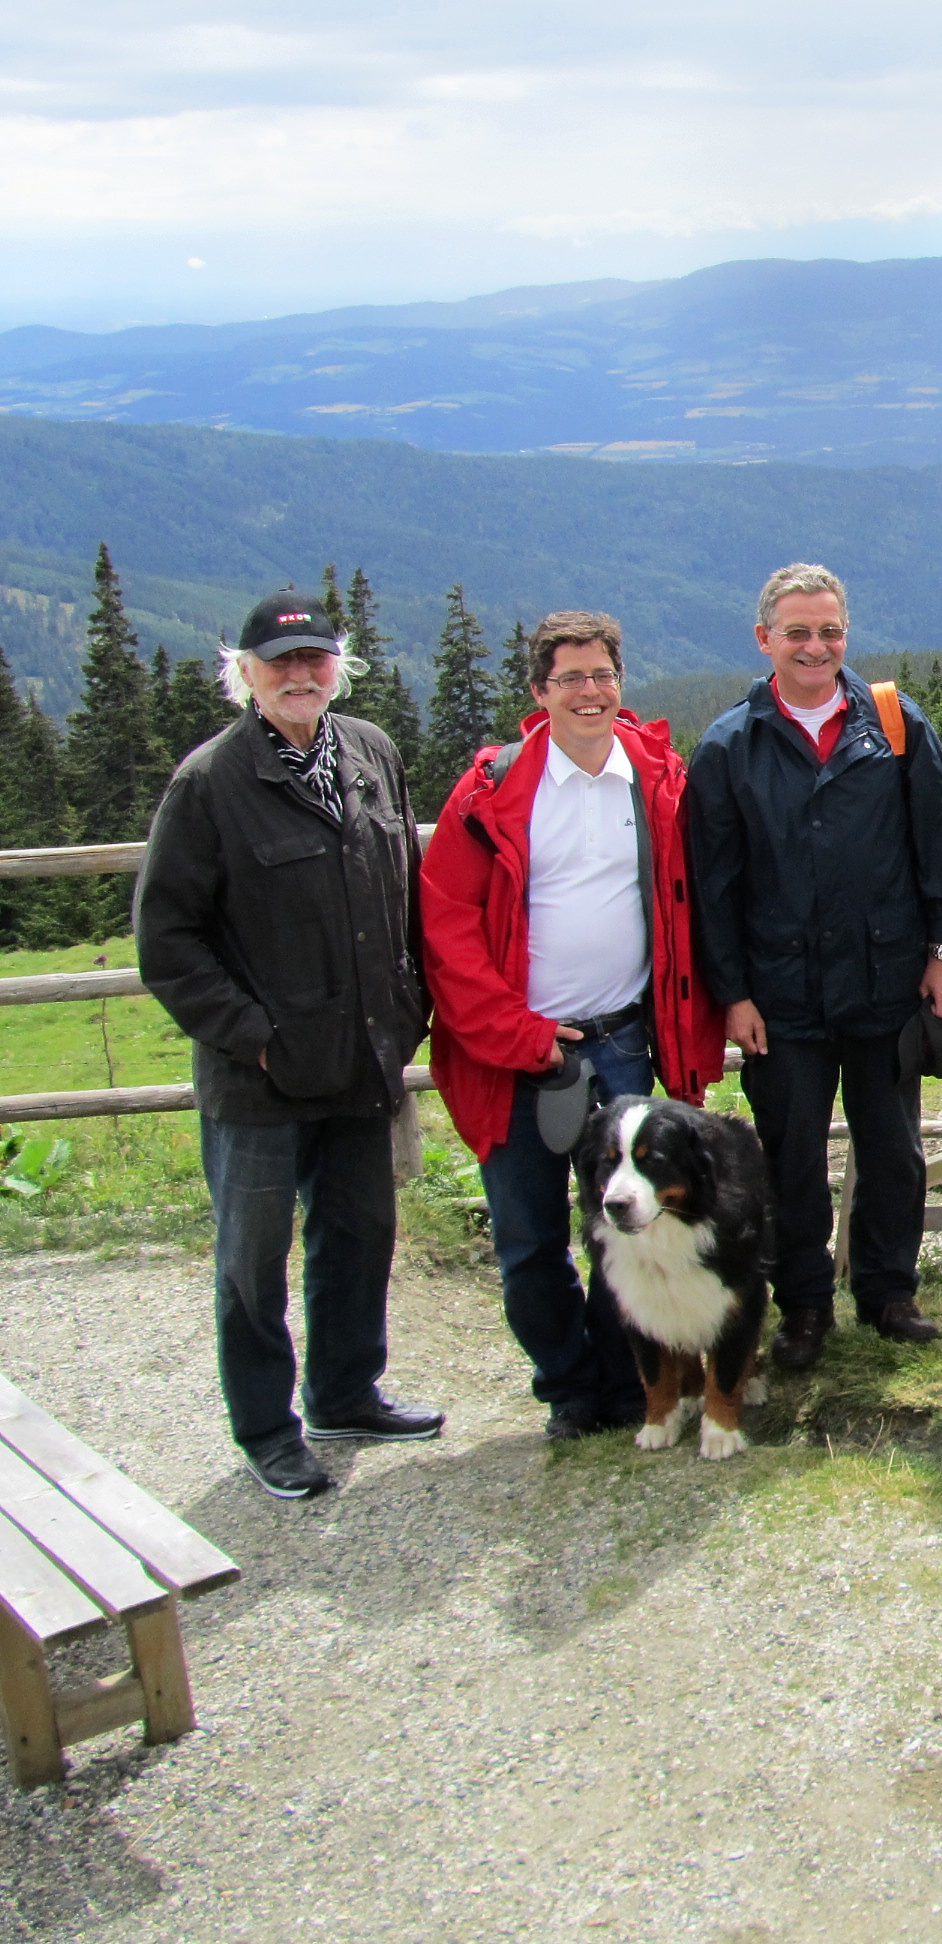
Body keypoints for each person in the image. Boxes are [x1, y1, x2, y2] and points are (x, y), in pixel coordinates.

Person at [135, 589, 442, 1500]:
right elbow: (168, 943)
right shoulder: (208, 784)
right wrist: (256, 1039)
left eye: (315, 659)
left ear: (336, 666)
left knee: (361, 1234)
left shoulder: (372, 755)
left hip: (361, 1060)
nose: (300, 675)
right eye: (280, 663)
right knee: (251, 1258)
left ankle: (346, 1393)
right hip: (261, 1080)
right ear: (246, 674)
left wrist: (409, 1004)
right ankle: (268, 1429)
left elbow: (405, 892)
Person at [419, 611, 725, 1439]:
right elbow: (446, 929)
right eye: (570, 679)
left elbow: (694, 909)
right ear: (539, 691)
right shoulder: (492, 793)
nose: (589, 693)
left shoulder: (658, 779)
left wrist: (694, 1035)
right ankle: (568, 1386)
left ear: (619, 682)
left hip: (624, 1040)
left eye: (601, 676)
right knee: (527, 1240)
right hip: (516, 1051)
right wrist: (521, 1036)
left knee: (624, 1230)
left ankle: (630, 1383)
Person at [686, 563, 942, 1372]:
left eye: (830, 631)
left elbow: (936, 842)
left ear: (847, 635)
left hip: (886, 982)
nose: (816, 647)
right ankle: (804, 1307)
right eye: (798, 632)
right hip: (781, 995)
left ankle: (887, 1292)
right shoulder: (729, 746)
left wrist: (941, 951)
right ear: (764, 638)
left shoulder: (894, 723)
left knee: (894, 1152)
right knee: (789, 1159)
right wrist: (732, 993)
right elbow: (714, 887)